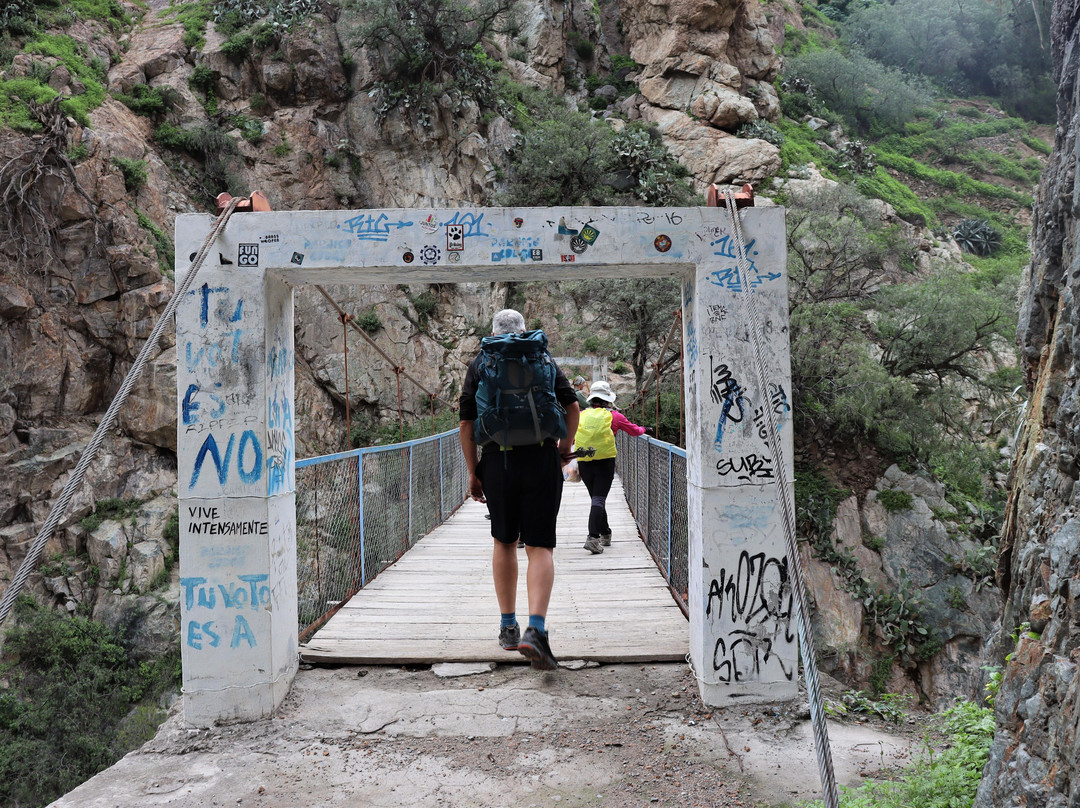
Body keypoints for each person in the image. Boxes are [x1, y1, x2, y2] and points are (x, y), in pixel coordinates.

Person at [458, 309, 580, 670]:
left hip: (498, 461)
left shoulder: (482, 362)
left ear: (492, 333)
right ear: (525, 331)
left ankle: (508, 627)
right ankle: (536, 630)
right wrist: (564, 448)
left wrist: (473, 472)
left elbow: (466, 422)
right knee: (540, 546)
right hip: (542, 458)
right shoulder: (541, 356)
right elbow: (573, 406)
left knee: (505, 541)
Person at [574, 380, 650, 554]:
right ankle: (593, 537)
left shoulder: (580, 414)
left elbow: (571, 436)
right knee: (599, 499)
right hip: (604, 462)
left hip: (584, 461)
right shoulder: (615, 416)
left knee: (596, 498)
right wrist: (645, 429)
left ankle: (605, 533)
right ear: (607, 399)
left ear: (591, 398)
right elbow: (634, 431)